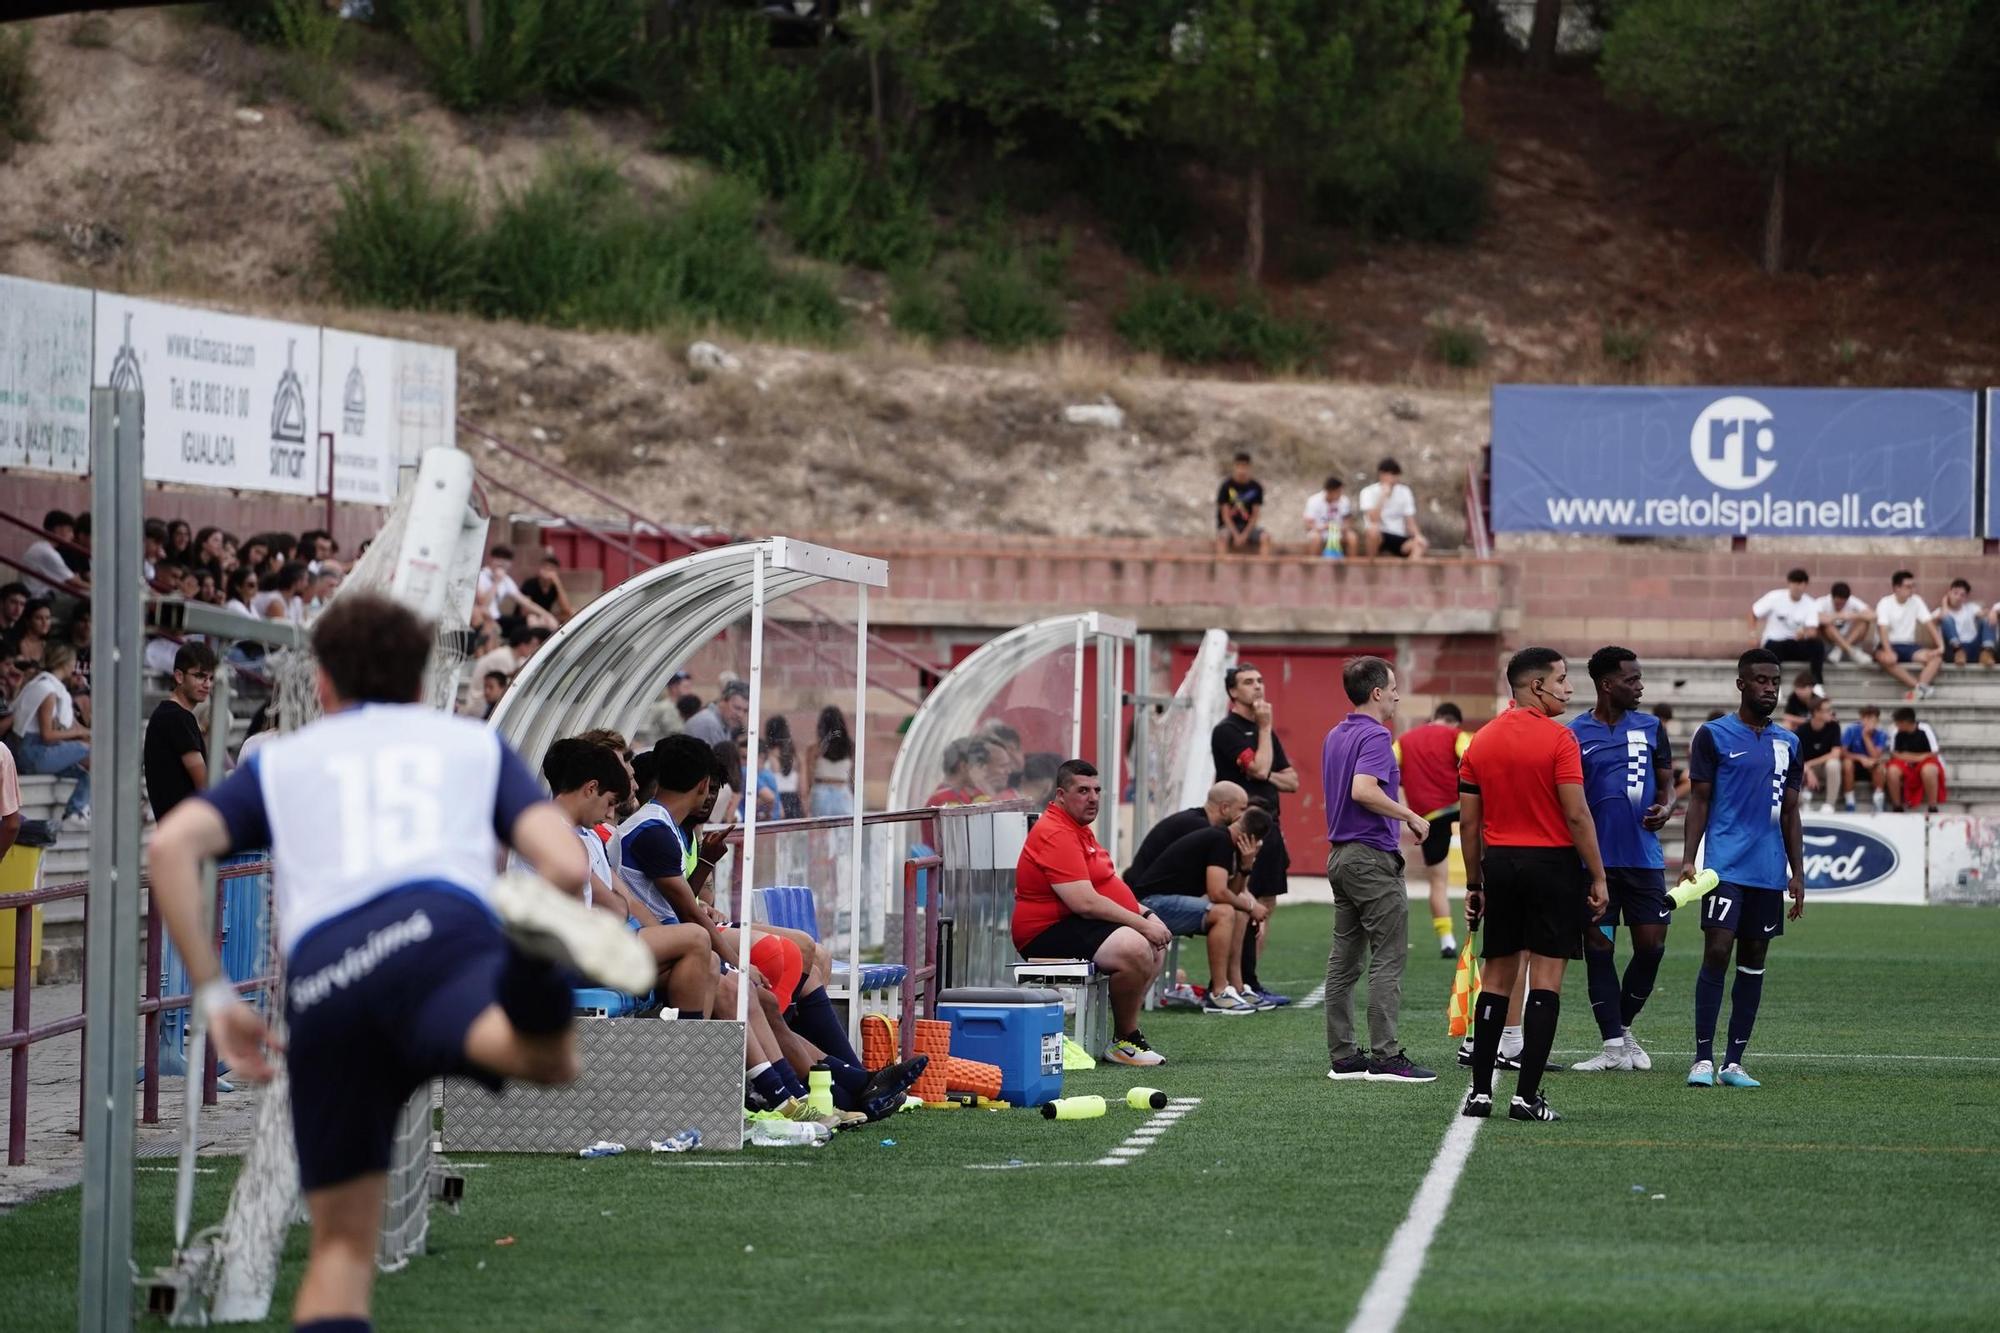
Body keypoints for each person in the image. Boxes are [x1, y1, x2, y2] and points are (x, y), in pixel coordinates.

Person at [144, 590, 656, 1333]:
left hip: (330, 979)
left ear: (320, 683)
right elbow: (560, 861)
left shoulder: (285, 760)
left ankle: (527, 973)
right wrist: (551, 899)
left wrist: (218, 993)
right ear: (423, 683)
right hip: (440, 947)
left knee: (341, 1251)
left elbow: (169, 847)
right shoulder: (471, 748)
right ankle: (532, 969)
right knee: (549, 1060)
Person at [1457, 647, 1608, 1123]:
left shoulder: (1480, 742)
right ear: (1535, 686)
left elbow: (1468, 825)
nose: (1569, 688)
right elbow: (1577, 814)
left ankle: (1480, 1093)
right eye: (1562, 679)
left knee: (1497, 981)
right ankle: (1526, 1098)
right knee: (1546, 982)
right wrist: (1598, 875)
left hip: (1500, 865)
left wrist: (1475, 882)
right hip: (1552, 866)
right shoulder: (1560, 741)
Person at [1677, 648, 1805, 1089]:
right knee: (1717, 951)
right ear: (1741, 684)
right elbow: (1699, 801)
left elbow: (1791, 813)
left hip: (1768, 872)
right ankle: (1701, 1059)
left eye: (1775, 681)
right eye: (1761, 680)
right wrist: (1689, 858)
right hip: (1724, 868)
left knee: (1754, 960)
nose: (1769, 688)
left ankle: (1733, 1063)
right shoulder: (1712, 736)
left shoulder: (1790, 743)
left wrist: (1797, 873)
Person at [1012, 759, 1173, 1067]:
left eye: (1097, 790)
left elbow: (1106, 887)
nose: (1093, 797)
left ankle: (1125, 1031)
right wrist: (1141, 924)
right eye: (1083, 790)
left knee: (1153, 945)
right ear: (1061, 795)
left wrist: (1148, 915)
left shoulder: (1078, 829)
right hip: (1044, 933)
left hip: (1072, 922)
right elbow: (1084, 902)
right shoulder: (1056, 832)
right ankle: (1126, 1040)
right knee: (1135, 947)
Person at [1320, 656, 1436, 1084]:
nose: (1397, 695)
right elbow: (1363, 790)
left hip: (1341, 857)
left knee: (1344, 961)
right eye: (1393, 687)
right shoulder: (1375, 735)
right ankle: (1386, 1058)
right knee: (1388, 958)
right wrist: (1411, 816)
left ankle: (1345, 1057)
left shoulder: (1335, 734)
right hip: (1370, 858)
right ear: (1376, 693)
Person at [1567, 647, 1680, 1074]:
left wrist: (1666, 809)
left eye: (1640, 678)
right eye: (1632, 680)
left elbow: (1667, 787)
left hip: (1644, 861)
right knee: (1600, 948)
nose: (1640, 687)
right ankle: (1613, 1046)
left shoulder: (1652, 727)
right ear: (1606, 684)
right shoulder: (1574, 733)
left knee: (1652, 947)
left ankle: (1623, 1027)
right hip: (1593, 866)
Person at [1128, 805, 1270, 1015]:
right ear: (1252, 838)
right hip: (1151, 904)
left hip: (1163, 902)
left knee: (1237, 912)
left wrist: (1245, 867)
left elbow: (1232, 892)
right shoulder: (1220, 840)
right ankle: (1218, 992)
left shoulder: (1226, 841)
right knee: (1225, 912)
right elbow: (1218, 893)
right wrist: (1251, 905)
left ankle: (1236, 986)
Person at [1210, 663, 1297, 1005]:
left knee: (1265, 905)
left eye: (1260, 680)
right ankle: (1238, 982)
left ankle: (1251, 981)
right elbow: (1262, 767)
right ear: (1233, 692)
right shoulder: (1227, 731)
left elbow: (1292, 781)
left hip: (1271, 825)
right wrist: (1265, 732)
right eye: (1248, 682)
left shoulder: (1265, 732)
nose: (1257, 687)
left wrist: (1264, 769)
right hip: (1244, 829)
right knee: (1244, 902)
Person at [1392, 702, 1469, 960]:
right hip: (1464, 806)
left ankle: (1447, 940)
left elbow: (1387, 770)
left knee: (1438, 881)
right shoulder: (1456, 735)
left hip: (1429, 816)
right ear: (1454, 722)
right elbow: (1473, 758)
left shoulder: (1403, 742)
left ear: (1433, 717)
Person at [12, 641, 90, 829]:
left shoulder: (43, 684)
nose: (74, 667)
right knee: (93, 752)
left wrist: (83, 734)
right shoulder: (47, 691)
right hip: (33, 753)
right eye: (73, 662)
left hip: (32, 753)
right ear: (66, 664)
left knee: (89, 769)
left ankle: (81, 809)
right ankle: (76, 809)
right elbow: (47, 735)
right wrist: (81, 733)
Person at [143, 643, 217, 821]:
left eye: (211, 678)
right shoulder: (178, 718)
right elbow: (204, 783)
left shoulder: (167, 714)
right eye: (199, 676)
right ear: (179, 676)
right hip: (186, 829)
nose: (207, 684)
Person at [1873, 570, 1942, 699]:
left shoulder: (1916, 601)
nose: (1912, 590)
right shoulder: (1885, 602)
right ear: (1896, 588)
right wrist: (1888, 651)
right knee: (1888, 659)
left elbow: (1929, 624)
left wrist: (1940, 646)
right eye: (1908, 587)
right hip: (1888, 644)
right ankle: (1919, 688)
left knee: (1936, 658)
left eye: (1913, 586)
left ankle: (1918, 690)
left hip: (1908, 645)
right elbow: (1883, 629)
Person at [1752, 568, 1824, 685]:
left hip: (1795, 643)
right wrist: (1752, 635)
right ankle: (1773, 687)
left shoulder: (1810, 603)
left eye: (1801, 583)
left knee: (1818, 645)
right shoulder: (1774, 597)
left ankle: (1817, 685)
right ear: (1789, 583)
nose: (1797, 587)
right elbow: (1753, 613)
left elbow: (1812, 631)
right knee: (1772, 648)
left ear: (1805, 585)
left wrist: (1804, 633)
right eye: (1794, 583)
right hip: (1776, 643)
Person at [1359, 458, 1427, 559]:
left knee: (1420, 544)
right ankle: (1371, 569)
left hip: (1398, 536)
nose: (1394, 478)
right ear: (1381, 474)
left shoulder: (1405, 492)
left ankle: (1409, 573)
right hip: (1379, 536)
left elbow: (1410, 521)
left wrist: (1418, 536)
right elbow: (1373, 519)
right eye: (1391, 474)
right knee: (1372, 531)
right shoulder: (1368, 492)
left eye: (1396, 475)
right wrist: (1383, 497)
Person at [1886, 706, 1946, 813]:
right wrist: (1919, 757)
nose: (1896, 725)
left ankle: (1932, 806)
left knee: (1929, 770)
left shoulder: (1925, 729)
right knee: (1892, 771)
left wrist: (1910, 756)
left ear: (1905, 723)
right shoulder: (1895, 731)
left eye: (1898, 722)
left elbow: (1934, 752)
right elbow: (1894, 754)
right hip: (1906, 762)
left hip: (1924, 762)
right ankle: (1897, 806)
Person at [1214, 451, 1271, 555]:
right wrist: (1236, 535)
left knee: (1265, 537)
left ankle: (1263, 568)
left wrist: (1244, 534)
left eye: (1244, 466)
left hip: (1247, 527)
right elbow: (1225, 515)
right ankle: (1222, 568)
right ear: (1234, 466)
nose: (1241, 470)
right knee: (1222, 537)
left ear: (1249, 467)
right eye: (1239, 466)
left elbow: (1255, 515)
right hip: (1229, 527)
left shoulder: (1256, 487)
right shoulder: (1226, 486)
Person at [21, 510, 87, 598]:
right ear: (58, 530)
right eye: (70, 530)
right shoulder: (48, 553)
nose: (72, 536)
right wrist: (97, 588)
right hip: (37, 598)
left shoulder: (40, 547)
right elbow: (75, 583)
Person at [1796, 698, 1845, 814]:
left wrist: (1809, 764)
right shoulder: (1802, 730)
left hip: (1823, 768)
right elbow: (1794, 756)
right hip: (1805, 768)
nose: (1831, 712)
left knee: (1834, 764)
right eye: (1827, 710)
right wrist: (1807, 769)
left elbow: (1836, 754)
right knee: (1793, 768)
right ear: (1816, 712)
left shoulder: (1834, 726)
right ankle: (1801, 804)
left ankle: (1829, 804)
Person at [804, 704, 855, 816]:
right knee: (846, 831)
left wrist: (807, 800)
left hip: (821, 791)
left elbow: (809, 779)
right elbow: (853, 777)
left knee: (821, 832)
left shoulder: (815, 748)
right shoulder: (850, 747)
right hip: (843, 791)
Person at [1841, 704, 1891, 814]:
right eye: (1866, 718)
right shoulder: (1851, 730)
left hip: (1871, 765)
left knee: (1880, 767)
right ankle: (1850, 801)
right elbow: (1843, 752)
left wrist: (1866, 737)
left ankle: (1878, 800)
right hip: (1855, 763)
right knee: (1847, 764)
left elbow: (1876, 756)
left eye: (1872, 719)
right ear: (1861, 718)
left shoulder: (1881, 734)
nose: (1868, 722)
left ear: (1877, 721)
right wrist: (1860, 758)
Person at [1933, 578, 1994, 666]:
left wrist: (1992, 613)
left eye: (1962, 595)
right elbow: (1942, 618)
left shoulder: (1970, 608)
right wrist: (1944, 603)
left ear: (1965, 598)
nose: (1958, 597)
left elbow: (1983, 614)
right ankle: (1958, 651)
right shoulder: (1939, 611)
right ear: (1949, 593)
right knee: (1947, 619)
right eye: (1955, 593)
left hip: (1972, 649)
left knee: (1988, 619)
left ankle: (1987, 653)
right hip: (1952, 651)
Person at [1816, 580, 1875, 665]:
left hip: (1849, 637)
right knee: (1826, 624)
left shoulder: (1852, 601)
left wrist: (1851, 615)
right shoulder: (1822, 601)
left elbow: (1873, 615)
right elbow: (1816, 618)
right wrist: (1837, 616)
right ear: (1832, 597)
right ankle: (1851, 651)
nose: (1840, 606)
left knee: (1864, 622)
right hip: (1830, 638)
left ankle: (1840, 648)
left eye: (1843, 604)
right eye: (1837, 604)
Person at [685, 678, 749, 748]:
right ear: (722, 701)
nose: (740, 715)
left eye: (745, 711)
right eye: (737, 708)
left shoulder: (722, 722)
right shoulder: (708, 723)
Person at [1302, 476, 1355, 558]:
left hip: (1339, 531)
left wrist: (1343, 528)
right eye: (1338, 491)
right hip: (1320, 531)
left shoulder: (1344, 500)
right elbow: (1308, 524)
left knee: (1352, 537)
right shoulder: (1314, 500)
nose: (1340, 494)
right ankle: (1314, 565)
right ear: (1330, 491)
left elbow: (1347, 520)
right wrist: (1324, 527)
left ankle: (1352, 566)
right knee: (1315, 538)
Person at [762, 716, 804, 818]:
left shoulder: (765, 756)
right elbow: (802, 788)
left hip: (774, 800)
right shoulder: (796, 756)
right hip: (793, 801)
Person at [519, 554, 576, 625]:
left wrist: (557, 583)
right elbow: (525, 611)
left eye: (551, 569)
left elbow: (566, 609)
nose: (547, 572)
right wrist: (545, 615)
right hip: (531, 617)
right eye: (545, 568)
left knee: (572, 613)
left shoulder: (554, 586)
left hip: (547, 616)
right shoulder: (530, 583)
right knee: (533, 619)